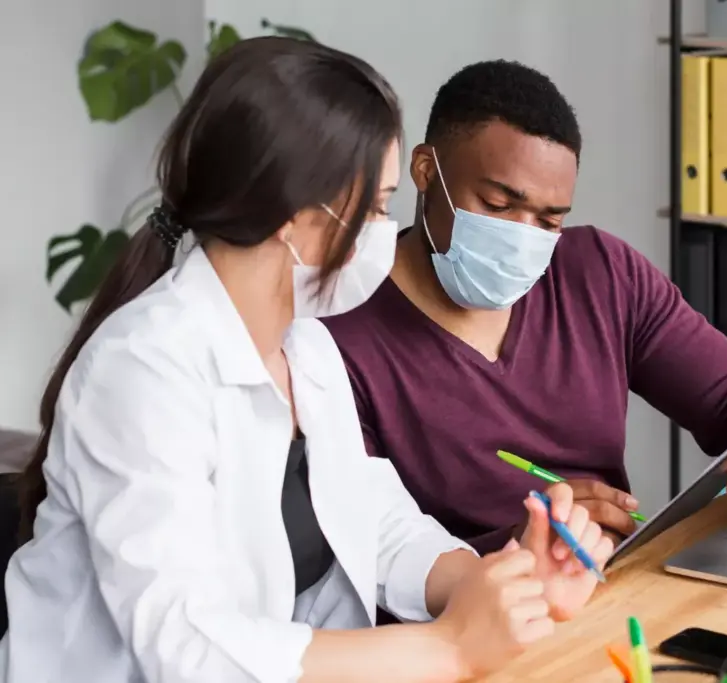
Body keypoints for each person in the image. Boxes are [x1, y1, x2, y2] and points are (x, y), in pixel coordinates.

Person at [1, 41, 611, 683]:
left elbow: (378, 523)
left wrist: (503, 582)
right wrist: (450, 647)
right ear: (294, 216)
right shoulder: (142, 370)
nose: (387, 232)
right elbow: (185, 647)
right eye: (376, 207)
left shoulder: (308, 348)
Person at [323, 59, 727, 555]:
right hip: (471, 617)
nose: (522, 236)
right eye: (498, 206)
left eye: (548, 221)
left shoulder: (600, 273)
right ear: (426, 170)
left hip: (612, 592)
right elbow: (364, 555)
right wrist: (522, 543)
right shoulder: (339, 332)